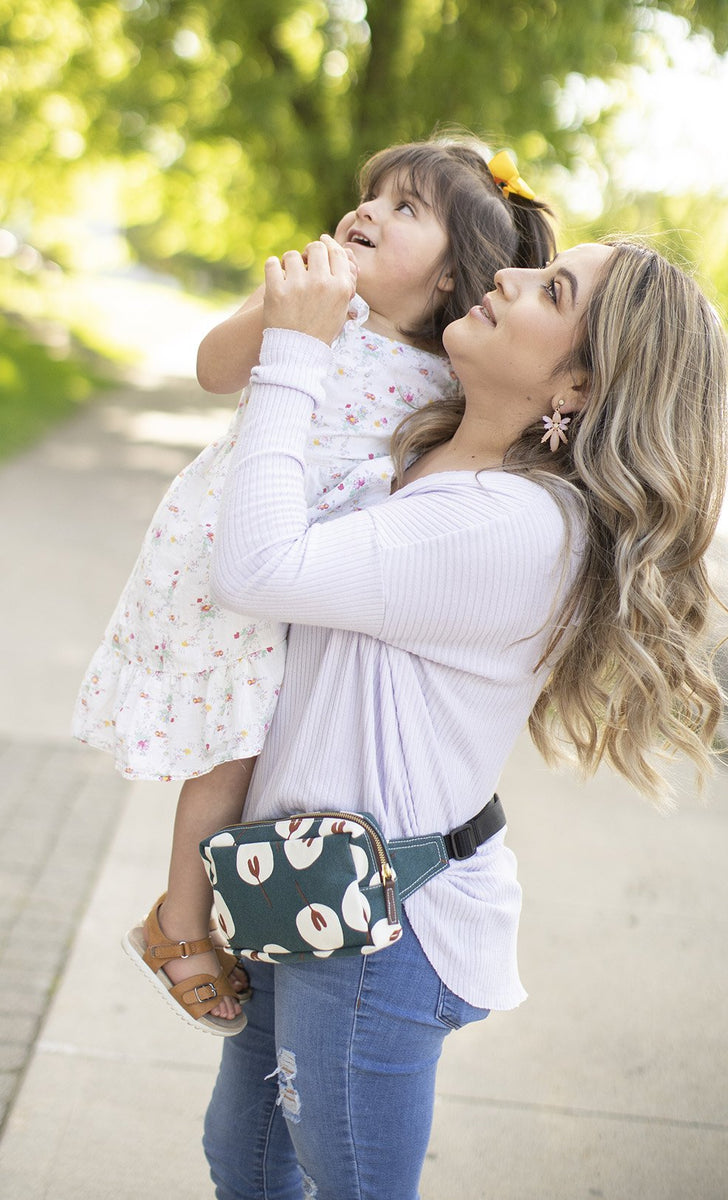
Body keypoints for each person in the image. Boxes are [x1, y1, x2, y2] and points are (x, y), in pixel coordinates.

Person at [200, 234, 727, 1198]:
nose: (509, 277)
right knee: (248, 1160)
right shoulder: (427, 455)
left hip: (383, 925)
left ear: (576, 388)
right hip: (301, 881)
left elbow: (254, 570)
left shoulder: (516, 525)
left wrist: (297, 354)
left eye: (551, 289)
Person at [71, 136, 555, 1032]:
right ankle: (178, 923)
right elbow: (216, 370)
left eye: (407, 208)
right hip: (235, 556)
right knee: (234, 749)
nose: (366, 210)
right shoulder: (307, 299)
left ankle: (226, 915)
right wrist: (285, 320)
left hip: (321, 582)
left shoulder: (456, 368)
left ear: (453, 280)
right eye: (370, 196)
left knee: (280, 755)